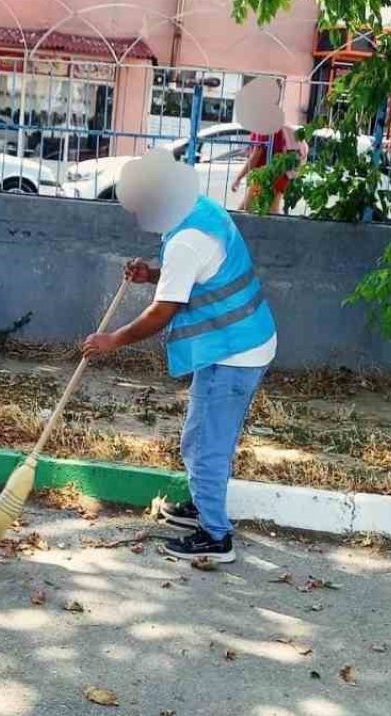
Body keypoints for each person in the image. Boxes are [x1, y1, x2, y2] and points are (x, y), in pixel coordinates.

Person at [83, 152, 277, 563]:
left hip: (234, 352)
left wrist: (113, 340)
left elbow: (162, 311)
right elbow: (195, 277)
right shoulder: (199, 208)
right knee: (203, 437)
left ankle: (215, 536)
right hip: (240, 341)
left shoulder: (186, 241)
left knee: (207, 443)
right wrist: (152, 274)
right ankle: (203, 508)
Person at [231, 125, 303, 214]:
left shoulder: (263, 127)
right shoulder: (275, 124)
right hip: (279, 173)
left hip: (265, 175)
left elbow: (256, 154)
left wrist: (238, 178)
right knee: (272, 211)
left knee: (245, 209)